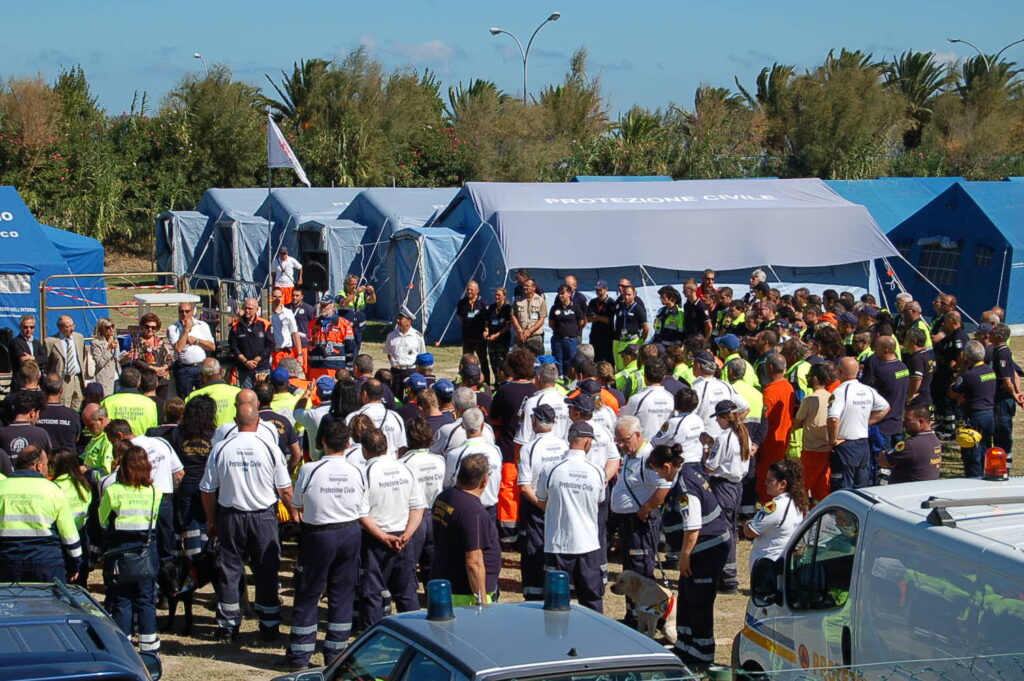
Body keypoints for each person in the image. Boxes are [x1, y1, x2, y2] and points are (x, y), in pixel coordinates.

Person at [200, 404, 293, 641]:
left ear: (234, 421)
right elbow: (285, 490)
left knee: (229, 571)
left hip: (231, 515)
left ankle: (228, 627)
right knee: (266, 570)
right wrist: (295, 514)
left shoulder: (221, 448)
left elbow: (207, 491)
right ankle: (270, 625)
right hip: (263, 517)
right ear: (258, 423)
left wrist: (212, 521)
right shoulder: (270, 447)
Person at [286, 419, 367, 669]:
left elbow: (297, 504)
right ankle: (336, 656)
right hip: (350, 532)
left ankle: (300, 655)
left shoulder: (311, 470)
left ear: (322, 442)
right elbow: (362, 505)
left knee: (309, 592)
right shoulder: (357, 471)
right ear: (349, 444)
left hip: (319, 534)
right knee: (342, 594)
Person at [669, 442, 731, 669]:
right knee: (686, 597)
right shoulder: (686, 474)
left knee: (699, 602)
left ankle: (702, 653)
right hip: (703, 548)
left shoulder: (685, 485)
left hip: (707, 549)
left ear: (667, 466)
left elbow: (692, 526)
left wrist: (684, 557)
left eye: (658, 471)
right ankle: (685, 644)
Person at [534, 420, 606, 613]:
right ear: (588, 443)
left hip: (558, 544)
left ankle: (556, 639)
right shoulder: (597, 471)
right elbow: (599, 500)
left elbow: (541, 500)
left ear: (569, 439)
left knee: (556, 603)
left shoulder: (551, 470)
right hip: (588, 544)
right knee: (592, 601)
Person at [98, 444, 163, 655]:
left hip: (120, 549)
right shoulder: (155, 492)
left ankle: (123, 648)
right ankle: (149, 647)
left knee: (122, 599)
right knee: (146, 598)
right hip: (146, 548)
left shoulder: (113, 491)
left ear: (123, 466)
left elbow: (102, 520)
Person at [358, 429, 425, 626]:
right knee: (406, 592)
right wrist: (407, 534)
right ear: (386, 447)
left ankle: (375, 638)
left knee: (373, 593)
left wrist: (384, 537)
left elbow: (361, 514)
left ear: (364, 450)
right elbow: (418, 506)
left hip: (375, 539)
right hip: (403, 538)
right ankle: (416, 634)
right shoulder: (404, 468)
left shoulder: (366, 473)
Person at [610, 415, 671, 628]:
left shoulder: (647, 457)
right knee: (630, 571)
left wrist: (647, 508)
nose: (620, 444)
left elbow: (664, 487)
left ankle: (646, 620)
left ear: (637, 435)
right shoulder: (631, 454)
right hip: (628, 523)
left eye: (624, 440)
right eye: (618, 440)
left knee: (640, 571)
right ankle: (633, 615)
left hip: (641, 523)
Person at [0, 445, 82, 581]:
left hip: (6, 562)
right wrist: (75, 564)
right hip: (46, 563)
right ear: (38, 466)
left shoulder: (2, 488)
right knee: (49, 602)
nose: (47, 469)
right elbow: (69, 534)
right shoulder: (53, 490)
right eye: (46, 464)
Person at [430, 452, 501, 605]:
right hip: (467, 595)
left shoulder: (444, 496)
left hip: (448, 583)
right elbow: (473, 562)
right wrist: (481, 601)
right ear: (484, 481)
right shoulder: (473, 512)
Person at [516, 404, 569, 600]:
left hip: (537, 507)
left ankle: (534, 594)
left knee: (533, 552)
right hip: (558, 505)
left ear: (534, 421)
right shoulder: (564, 445)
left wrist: (541, 505)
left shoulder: (529, 448)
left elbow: (524, 485)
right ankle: (557, 590)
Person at [701, 400, 752, 594]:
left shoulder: (724, 438)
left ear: (723, 417)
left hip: (722, 486)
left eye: (719, 419)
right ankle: (728, 574)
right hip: (737, 485)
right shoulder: (743, 434)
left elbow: (711, 467)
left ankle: (728, 577)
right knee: (729, 528)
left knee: (722, 530)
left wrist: (706, 450)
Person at [827, 357, 890, 491]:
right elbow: (885, 408)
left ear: (839, 371)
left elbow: (833, 419)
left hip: (845, 446)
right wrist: (865, 422)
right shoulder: (868, 390)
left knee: (843, 491)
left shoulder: (840, 392)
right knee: (860, 490)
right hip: (863, 446)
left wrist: (832, 441)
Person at [399, 418, 447, 582]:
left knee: (410, 563)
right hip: (436, 514)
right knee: (434, 565)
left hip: (414, 517)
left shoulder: (403, 463)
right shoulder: (439, 460)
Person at [744, 458, 808, 568]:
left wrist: (747, 525)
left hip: (767, 565)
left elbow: (750, 532)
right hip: (781, 562)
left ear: (782, 484)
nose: (766, 483)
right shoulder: (797, 502)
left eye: (770, 480)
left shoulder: (774, 507)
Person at [949, 340, 997, 478]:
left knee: (972, 454)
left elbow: (952, 392)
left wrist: (961, 370)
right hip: (989, 415)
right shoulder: (990, 370)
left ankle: (974, 480)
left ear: (968, 357)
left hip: (975, 417)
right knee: (985, 449)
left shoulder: (969, 376)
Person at [444, 408, 502, 519]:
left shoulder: (454, 454)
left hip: (466, 510)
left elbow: (448, 484)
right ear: (483, 426)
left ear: (462, 426)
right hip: (490, 510)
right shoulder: (495, 451)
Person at [791, 362, 834, 504]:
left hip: (811, 449)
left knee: (802, 486)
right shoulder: (832, 397)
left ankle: (800, 515)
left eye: (809, 377)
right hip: (828, 449)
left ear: (815, 379)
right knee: (822, 487)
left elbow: (797, 423)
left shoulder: (809, 399)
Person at [49, 446, 92, 586]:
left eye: (51, 464)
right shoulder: (83, 484)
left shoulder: (53, 488)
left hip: (63, 539)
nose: (48, 468)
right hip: (82, 534)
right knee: (81, 581)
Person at [758, 355, 795, 503]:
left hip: (770, 442)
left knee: (767, 478)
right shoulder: (789, 387)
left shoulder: (770, 391)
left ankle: (767, 507)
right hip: (783, 439)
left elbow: (764, 419)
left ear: (771, 368)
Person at [990, 324, 1023, 465]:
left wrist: (1015, 395)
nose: (988, 335)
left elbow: (1007, 379)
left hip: (1002, 401)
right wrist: (1018, 391)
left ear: (998, 336)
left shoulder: (1001, 353)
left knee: (1002, 431)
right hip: (1006, 399)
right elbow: (1015, 373)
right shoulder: (1004, 351)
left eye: (991, 333)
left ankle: (1003, 463)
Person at [932, 311, 969, 439]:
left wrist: (957, 367)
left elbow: (961, 354)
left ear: (953, 321)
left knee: (950, 401)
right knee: (941, 398)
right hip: (943, 372)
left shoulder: (959, 335)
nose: (943, 323)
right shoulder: (950, 335)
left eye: (946, 320)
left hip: (951, 374)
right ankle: (943, 425)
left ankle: (951, 429)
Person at [881, 407, 942, 483]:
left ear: (921, 421)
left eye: (908, 420)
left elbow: (883, 461)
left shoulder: (911, 445)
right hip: (924, 489)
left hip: (905, 491)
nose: (903, 424)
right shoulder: (934, 440)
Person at [166, 303, 215, 398]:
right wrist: (186, 330)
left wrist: (197, 340)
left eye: (187, 311)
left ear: (192, 312)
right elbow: (178, 348)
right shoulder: (173, 328)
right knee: (185, 399)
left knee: (205, 397)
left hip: (201, 367)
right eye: (181, 311)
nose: (184, 314)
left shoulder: (202, 325)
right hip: (184, 368)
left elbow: (212, 347)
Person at [621, 357, 675, 441]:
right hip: (664, 449)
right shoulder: (671, 398)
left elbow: (622, 422)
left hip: (645, 449)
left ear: (645, 377)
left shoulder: (636, 399)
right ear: (664, 377)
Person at [345, 380, 407, 453]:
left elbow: (348, 446)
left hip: (360, 463)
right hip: (391, 462)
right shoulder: (396, 417)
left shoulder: (352, 418)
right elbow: (402, 447)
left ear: (364, 394)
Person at [0, 390, 51, 475]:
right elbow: (47, 461)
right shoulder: (41, 434)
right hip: (34, 483)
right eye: (38, 413)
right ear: (32, 413)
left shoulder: (2, 433)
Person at [230, 298, 275, 390]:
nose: (247, 311)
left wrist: (256, 360)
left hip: (262, 367)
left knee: (263, 394)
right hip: (244, 368)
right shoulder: (236, 326)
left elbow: (270, 345)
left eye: (250, 309)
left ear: (256, 310)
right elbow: (234, 347)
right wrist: (246, 362)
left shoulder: (264, 324)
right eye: (245, 308)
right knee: (248, 395)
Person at [45, 314, 88, 410]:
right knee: (64, 404)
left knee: (78, 403)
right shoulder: (51, 341)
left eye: (73, 325)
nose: (71, 329)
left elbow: (83, 356)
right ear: (60, 328)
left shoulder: (79, 337)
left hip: (78, 378)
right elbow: (47, 363)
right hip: (63, 378)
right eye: (68, 327)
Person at [101, 367, 158, 437]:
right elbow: (153, 431)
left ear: (119, 382)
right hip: (141, 446)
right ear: (139, 383)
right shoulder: (150, 404)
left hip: (115, 445)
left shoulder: (107, 402)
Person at [307, 300, 355, 382]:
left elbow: (350, 348)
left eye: (326, 305)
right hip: (316, 367)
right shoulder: (313, 323)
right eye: (322, 305)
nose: (323, 308)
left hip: (335, 367)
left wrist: (348, 370)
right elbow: (309, 344)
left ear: (333, 307)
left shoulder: (343, 323)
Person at [384, 306, 425, 394]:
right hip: (396, 371)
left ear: (409, 321)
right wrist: (395, 364)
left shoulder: (417, 336)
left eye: (401, 319)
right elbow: (389, 353)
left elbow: (421, 355)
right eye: (397, 318)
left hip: (410, 371)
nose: (398, 321)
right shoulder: (391, 336)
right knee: (396, 397)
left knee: (411, 396)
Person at [548, 284, 587, 376]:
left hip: (571, 340)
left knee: (571, 361)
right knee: (558, 360)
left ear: (569, 293)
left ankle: (571, 380)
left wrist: (572, 331)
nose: (560, 296)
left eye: (562, 293)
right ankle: (560, 379)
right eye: (559, 294)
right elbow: (551, 324)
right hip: (558, 339)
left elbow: (581, 322)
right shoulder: (555, 308)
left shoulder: (576, 308)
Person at [457, 280, 490, 385]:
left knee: (483, 361)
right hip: (467, 338)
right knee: (467, 361)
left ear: (477, 291)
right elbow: (460, 317)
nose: (469, 291)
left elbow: (487, 319)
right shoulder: (462, 303)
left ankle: (486, 383)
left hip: (480, 338)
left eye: (471, 289)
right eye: (468, 289)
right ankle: (467, 381)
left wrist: (486, 330)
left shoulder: (483, 303)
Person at [37, 373, 80, 452]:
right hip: (67, 460)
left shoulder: (35, 414)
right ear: (61, 390)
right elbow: (77, 438)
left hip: (42, 461)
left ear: (43, 388)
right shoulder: (73, 415)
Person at [337, 274, 376, 355]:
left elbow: (372, 301)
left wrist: (372, 293)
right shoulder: (341, 294)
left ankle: (355, 360)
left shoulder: (361, 294)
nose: (354, 286)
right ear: (346, 284)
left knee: (357, 346)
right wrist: (355, 293)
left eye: (355, 284)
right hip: (345, 326)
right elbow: (343, 303)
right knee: (346, 345)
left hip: (358, 327)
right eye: (352, 284)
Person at [8, 315, 48, 392]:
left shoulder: (37, 342)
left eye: (31, 327)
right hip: (21, 383)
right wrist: (38, 359)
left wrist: (33, 358)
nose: (29, 330)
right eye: (25, 327)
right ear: (20, 327)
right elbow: (25, 362)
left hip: (38, 383)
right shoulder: (15, 342)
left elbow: (45, 359)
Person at [613, 286, 648, 371]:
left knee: (632, 367)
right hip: (621, 341)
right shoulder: (621, 306)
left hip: (633, 341)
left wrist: (641, 340)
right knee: (620, 367)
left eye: (629, 294)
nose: (626, 297)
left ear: (634, 295)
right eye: (624, 294)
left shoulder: (638, 308)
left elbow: (646, 328)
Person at [483, 287, 512, 386]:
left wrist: (496, 335)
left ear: (504, 296)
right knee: (493, 361)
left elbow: (508, 325)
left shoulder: (507, 308)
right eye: (496, 295)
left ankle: (503, 381)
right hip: (491, 339)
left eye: (499, 295)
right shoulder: (491, 308)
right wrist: (486, 331)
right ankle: (496, 380)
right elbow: (487, 322)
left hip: (502, 339)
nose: (496, 297)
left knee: (502, 361)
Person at [270, 287, 302, 369]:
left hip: (285, 353)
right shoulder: (264, 312)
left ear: (283, 297)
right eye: (275, 296)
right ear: (270, 297)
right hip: (270, 353)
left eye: (279, 297)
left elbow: (295, 333)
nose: (277, 299)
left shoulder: (288, 313)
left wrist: (300, 354)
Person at [89, 317, 121, 397]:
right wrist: (109, 349)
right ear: (101, 329)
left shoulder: (115, 340)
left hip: (117, 376)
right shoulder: (96, 343)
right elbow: (99, 363)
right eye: (107, 327)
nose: (111, 329)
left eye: (112, 326)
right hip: (104, 378)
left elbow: (118, 360)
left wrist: (126, 357)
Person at [586, 280, 616, 364]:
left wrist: (596, 317)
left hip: (607, 336)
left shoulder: (611, 303)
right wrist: (599, 318)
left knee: (608, 360)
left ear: (605, 289)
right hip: (595, 335)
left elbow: (608, 320)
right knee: (595, 360)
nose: (598, 291)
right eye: (596, 290)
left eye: (600, 289)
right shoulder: (593, 302)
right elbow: (588, 319)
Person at [512, 277, 547, 351]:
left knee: (534, 359)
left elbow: (542, 319)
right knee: (516, 358)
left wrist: (529, 331)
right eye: (524, 285)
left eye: (527, 286)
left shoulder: (541, 301)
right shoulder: (517, 300)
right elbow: (513, 315)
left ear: (534, 288)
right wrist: (519, 330)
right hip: (520, 335)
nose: (524, 287)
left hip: (535, 336)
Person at [903, 327, 934, 410]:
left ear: (913, 341)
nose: (904, 340)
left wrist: (910, 396)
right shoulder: (926, 356)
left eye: (906, 338)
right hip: (925, 398)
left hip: (918, 401)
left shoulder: (917, 359)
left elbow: (916, 379)